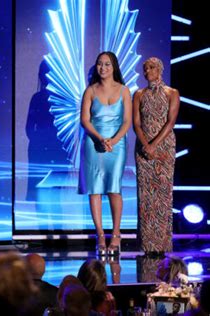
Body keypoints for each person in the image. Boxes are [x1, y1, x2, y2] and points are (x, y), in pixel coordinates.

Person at [78, 51, 132, 256]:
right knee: (95, 189)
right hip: (94, 142)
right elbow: (85, 120)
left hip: (116, 145)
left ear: (114, 67)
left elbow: (127, 121)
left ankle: (116, 234)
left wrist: (113, 140)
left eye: (107, 64)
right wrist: (99, 139)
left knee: (114, 188)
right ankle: (100, 234)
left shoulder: (124, 90)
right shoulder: (90, 91)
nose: (103, 68)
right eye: (100, 64)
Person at [133, 57, 180, 255]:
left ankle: (161, 245)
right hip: (144, 149)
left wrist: (155, 144)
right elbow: (136, 123)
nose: (147, 71)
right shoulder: (139, 94)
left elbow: (170, 122)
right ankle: (147, 245)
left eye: (150, 68)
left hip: (164, 147)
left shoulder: (172, 93)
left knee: (162, 195)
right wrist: (146, 144)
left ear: (159, 69)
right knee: (146, 197)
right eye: (144, 69)